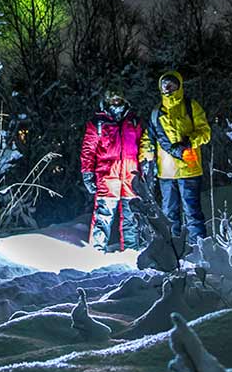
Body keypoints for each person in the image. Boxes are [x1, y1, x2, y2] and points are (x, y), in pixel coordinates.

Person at [139, 70, 210, 248]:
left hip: (189, 169)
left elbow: (205, 132)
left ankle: (199, 249)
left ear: (179, 86)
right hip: (167, 173)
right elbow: (149, 137)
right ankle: (173, 250)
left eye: (171, 85)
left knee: (192, 212)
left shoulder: (190, 106)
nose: (168, 89)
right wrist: (145, 155)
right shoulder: (157, 113)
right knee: (169, 214)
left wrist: (190, 141)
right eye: (165, 86)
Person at [79, 88, 143, 251]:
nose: (115, 101)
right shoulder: (98, 123)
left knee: (132, 217)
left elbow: (143, 146)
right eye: (112, 98)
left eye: (118, 98)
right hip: (107, 177)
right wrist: (87, 173)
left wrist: (146, 171)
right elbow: (88, 150)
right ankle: (96, 251)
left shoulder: (133, 121)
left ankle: (132, 252)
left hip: (130, 177)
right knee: (103, 217)